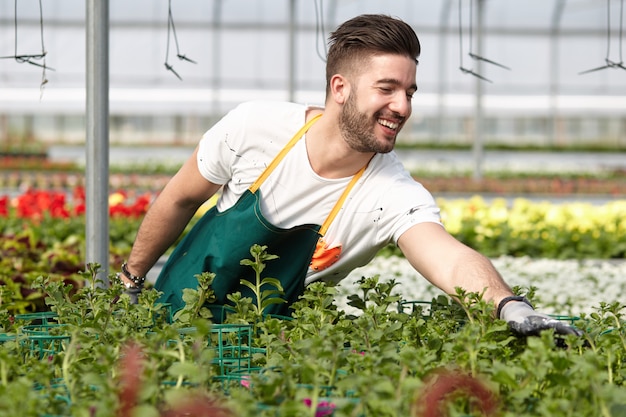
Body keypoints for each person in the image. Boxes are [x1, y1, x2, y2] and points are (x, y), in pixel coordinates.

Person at [117, 14, 580, 336]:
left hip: (267, 350)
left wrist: (510, 306)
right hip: (172, 327)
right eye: (387, 88)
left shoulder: (392, 192)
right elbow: (178, 199)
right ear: (340, 87)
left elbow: (450, 258)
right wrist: (131, 280)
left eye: (410, 91)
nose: (403, 106)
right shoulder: (255, 128)